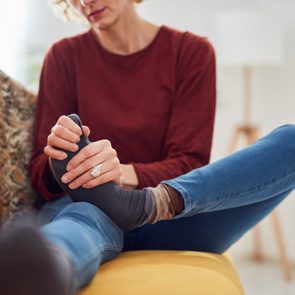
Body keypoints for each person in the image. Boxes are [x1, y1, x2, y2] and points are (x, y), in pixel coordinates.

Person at [0, 0, 295, 295]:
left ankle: (144, 205)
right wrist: (61, 161)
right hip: (90, 208)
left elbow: (190, 163)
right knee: (74, 227)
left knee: (291, 141)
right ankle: (47, 269)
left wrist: (122, 175)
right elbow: (40, 170)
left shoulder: (191, 52)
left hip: (172, 210)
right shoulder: (64, 56)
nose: (84, 1)